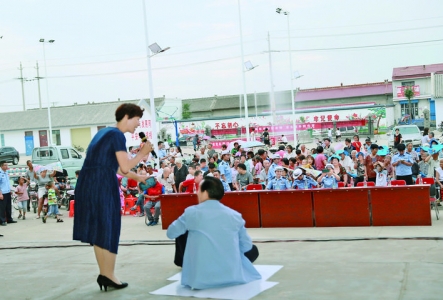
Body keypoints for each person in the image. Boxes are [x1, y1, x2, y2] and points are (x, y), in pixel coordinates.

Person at [73, 103, 152, 291]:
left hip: (88, 182)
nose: (138, 125)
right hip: (102, 184)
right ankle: (109, 275)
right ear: (127, 116)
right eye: (137, 120)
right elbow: (124, 167)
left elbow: (114, 166)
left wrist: (137, 177)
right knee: (109, 227)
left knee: (99, 229)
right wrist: (142, 153)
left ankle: (105, 274)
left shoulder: (104, 133)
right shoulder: (117, 135)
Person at [166, 176, 261, 289]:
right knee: (253, 249)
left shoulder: (191, 213)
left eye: (198, 190)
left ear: (205, 193)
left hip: (200, 277)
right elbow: (246, 246)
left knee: (184, 230)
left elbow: (171, 233)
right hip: (232, 275)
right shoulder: (235, 215)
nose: (197, 193)